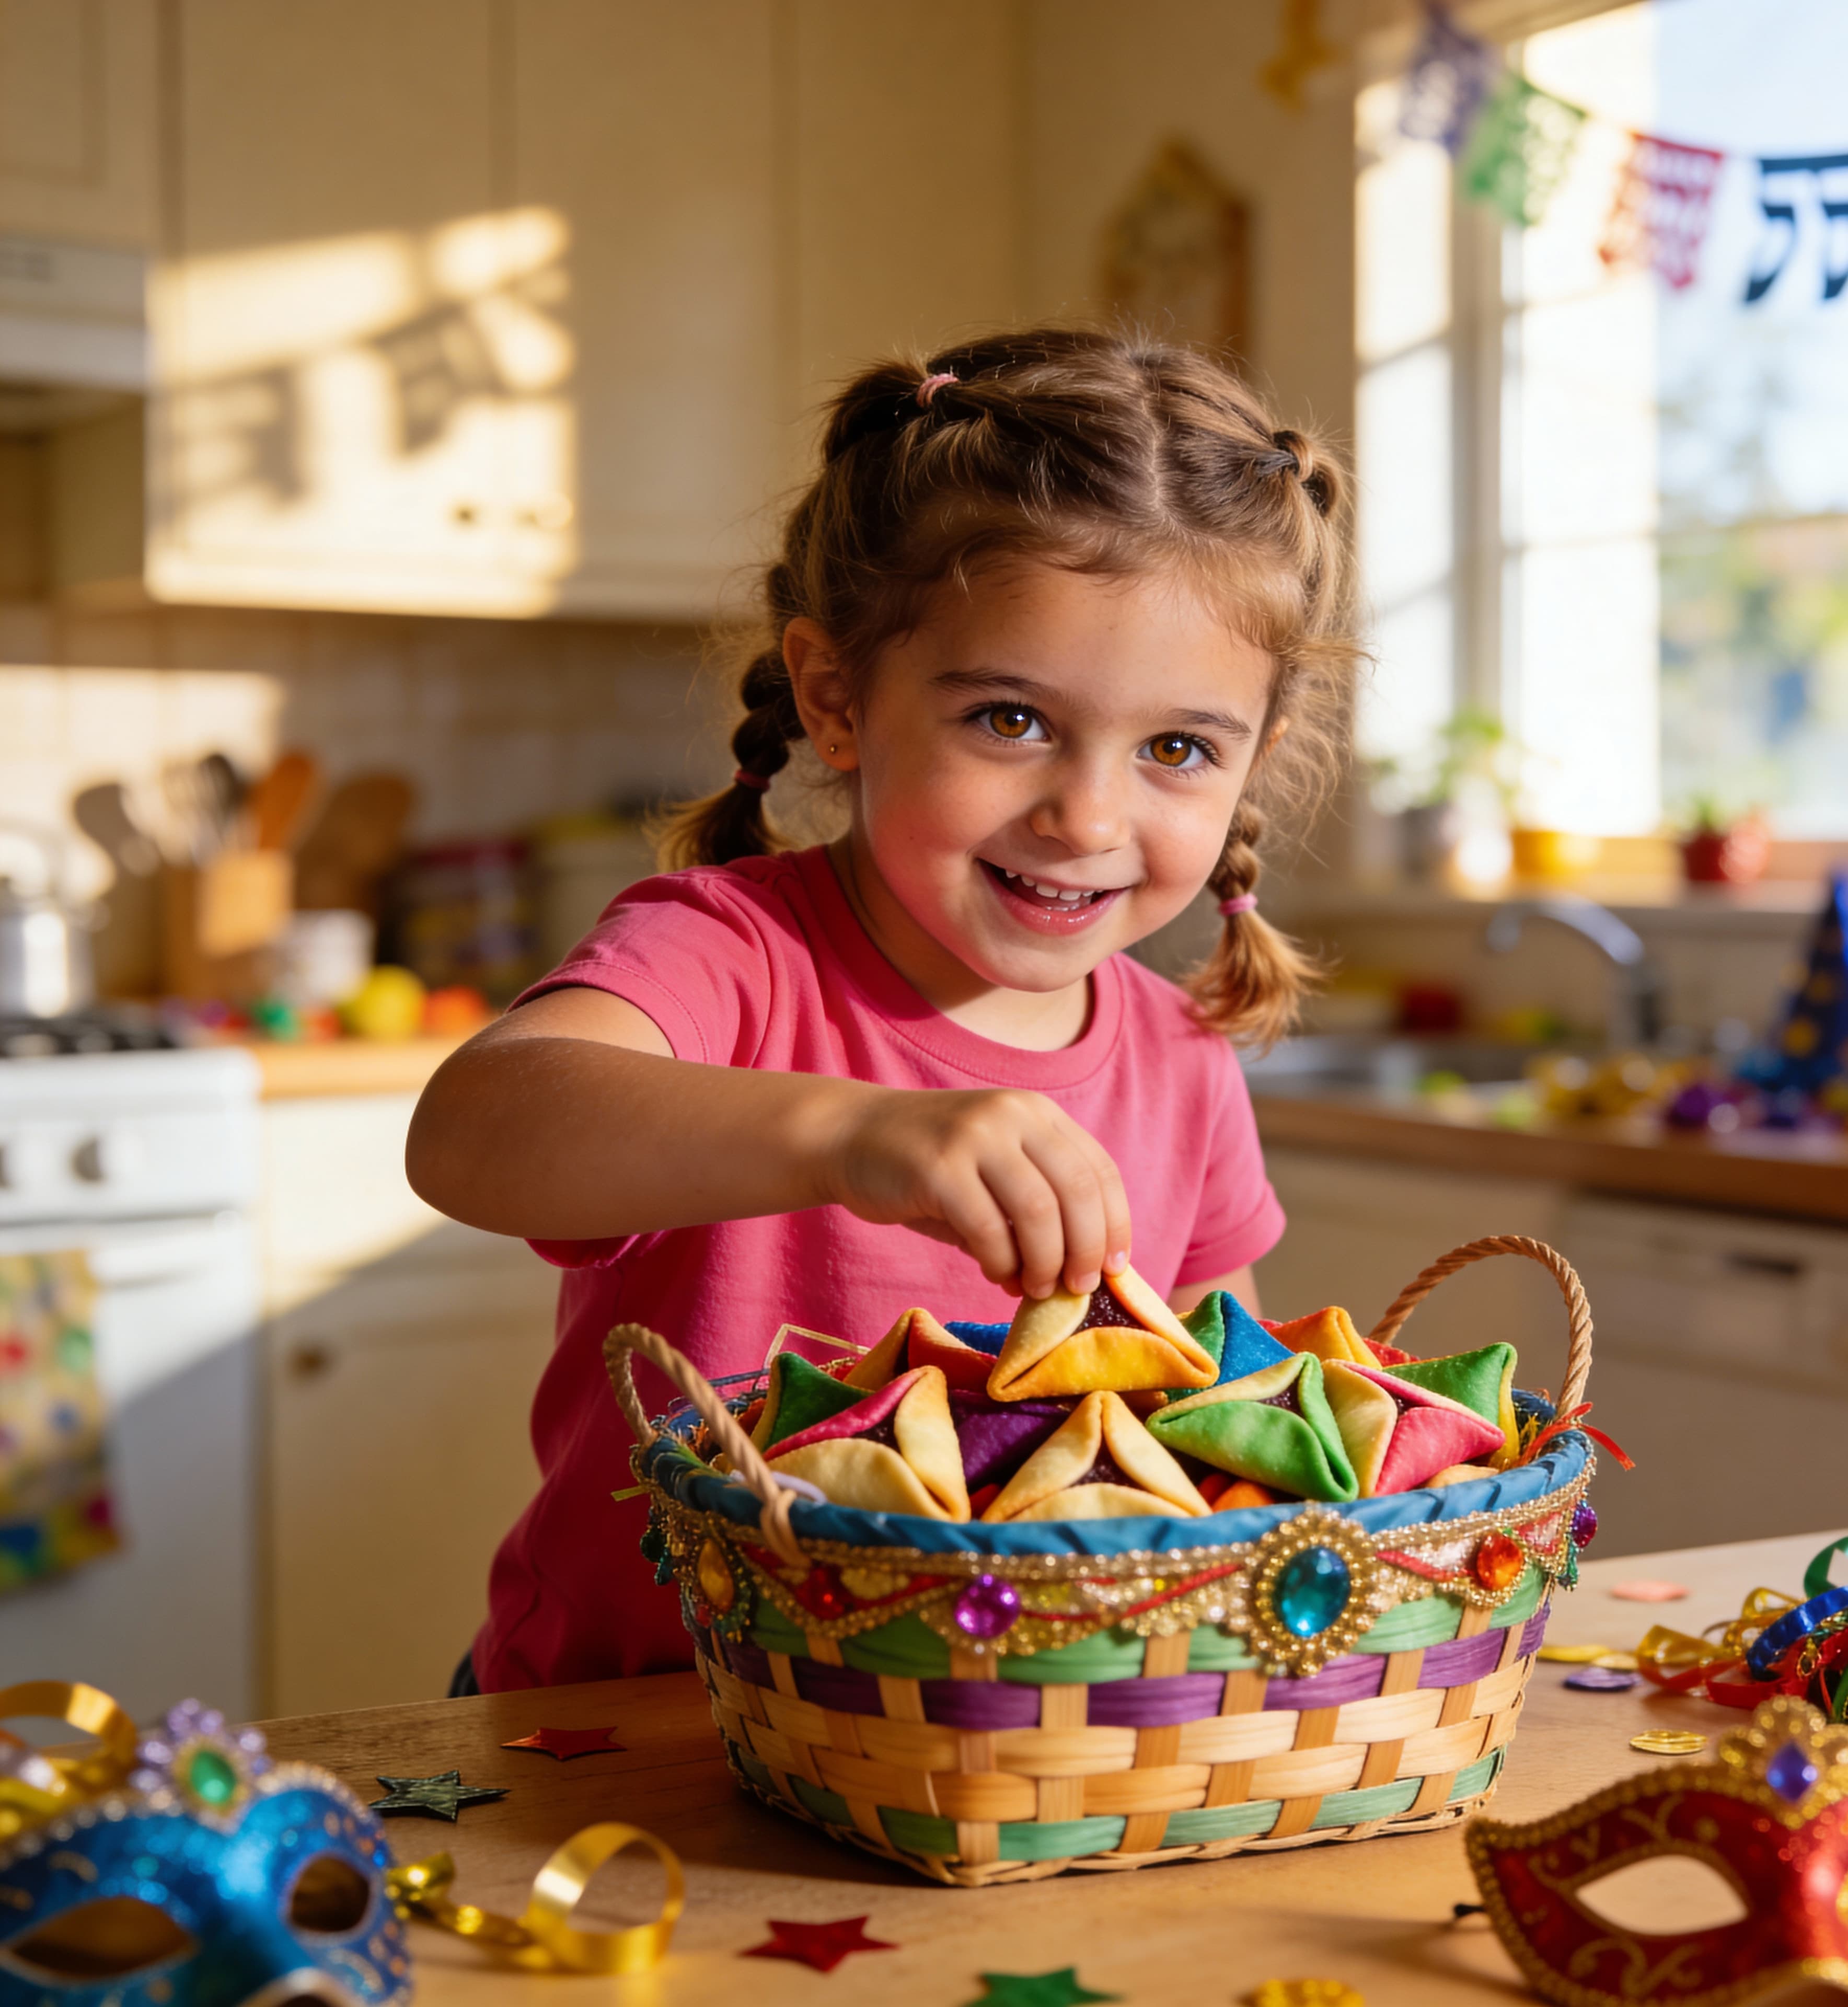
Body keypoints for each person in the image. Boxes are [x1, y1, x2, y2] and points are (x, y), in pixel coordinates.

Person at [406, 327, 1360, 1692]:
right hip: (632, 1732)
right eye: (1011, 723)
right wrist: (854, 1135)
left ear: (1250, 764)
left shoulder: (1181, 1056)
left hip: (989, 1755)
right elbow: (472, 1131)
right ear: (838, 698)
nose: (1087, 814)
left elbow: (1219, 1440)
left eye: (1175, 749)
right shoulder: (729, 954)